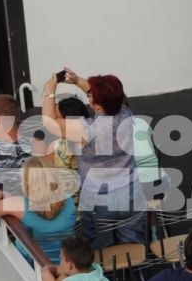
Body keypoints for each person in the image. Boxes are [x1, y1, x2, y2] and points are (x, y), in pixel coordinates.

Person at [41, 69, 146, 246]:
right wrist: (76, 81)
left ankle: (107, 275)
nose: (89, 98)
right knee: (132, 250)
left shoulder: (88, 130)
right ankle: (134, 274)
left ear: (97, 105)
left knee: (102, 251)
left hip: (99, 200)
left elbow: (50, 123)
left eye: (91, 96)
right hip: (130, 193)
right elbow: (107, 96)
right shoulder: (125, 112)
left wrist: (49, 91)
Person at [0, 156, 78, 264]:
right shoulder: (69, 199)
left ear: (27, 182)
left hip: (32, 265)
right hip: (67, 264)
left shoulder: (19, 204)